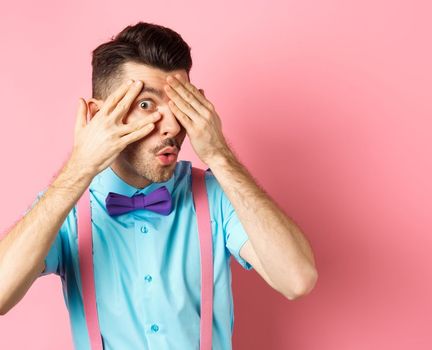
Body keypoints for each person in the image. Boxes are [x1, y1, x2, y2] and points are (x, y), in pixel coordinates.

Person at [0, 21, 317, 349]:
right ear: (99, 115)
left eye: (180, 105)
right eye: (146, 105)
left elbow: (298, 279)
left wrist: (220, 156)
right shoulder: (65, 206)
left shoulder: (217, 196)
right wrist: (77, 170)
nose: (172, 126)